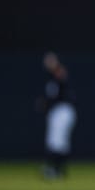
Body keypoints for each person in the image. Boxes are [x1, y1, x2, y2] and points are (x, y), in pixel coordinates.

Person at [35, 51, 77, 180]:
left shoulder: (59, 75)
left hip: (62, 111)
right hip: (59, 111)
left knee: (58, 142)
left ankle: (55, 170)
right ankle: (56, 170)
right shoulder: (51, 78)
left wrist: (45, 103)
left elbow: (61, 76)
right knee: (57, 142)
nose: (49, 64)